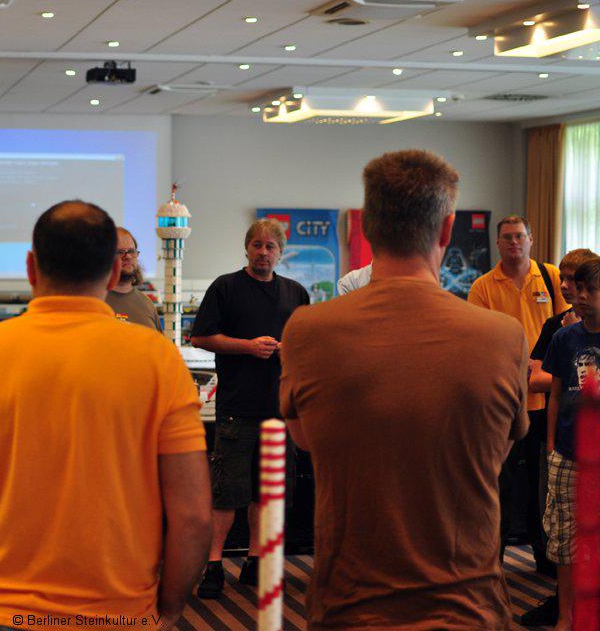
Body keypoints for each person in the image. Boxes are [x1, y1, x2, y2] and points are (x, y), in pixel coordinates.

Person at [0, 201, 211, 631]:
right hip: (120, 612)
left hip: (0, 608)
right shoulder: (158, 360)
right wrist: (169, 607)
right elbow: (193, 517)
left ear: (31, 267)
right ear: (113, 273)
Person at [280, 149, 528, 629]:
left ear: (368, 228)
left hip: (349, 606)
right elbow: (496, 449)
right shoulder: (503, 336)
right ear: (447, 229)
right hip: (467, 608)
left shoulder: (307, 331)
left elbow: (307, 439)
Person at [189, 218, 309, 597]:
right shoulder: (226, 287)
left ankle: (256, 562)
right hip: (236, 409)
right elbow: (200, 337)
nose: (263, 252)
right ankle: (213, 566)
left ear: (281, 252)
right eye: (257, 245)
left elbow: (305, 344)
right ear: (247, 248)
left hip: (279, 410)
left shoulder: (296, 293)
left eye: (270, 246)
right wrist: (247, 346)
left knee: (267, 493)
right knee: (225, 492)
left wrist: (291, 350)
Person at [468, 215, 568, 570]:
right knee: (501, 483)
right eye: (507, 237)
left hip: (547, 400)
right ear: (498, 243)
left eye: (520, 236)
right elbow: (478, 340)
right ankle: (492, 562)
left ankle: (545, 559)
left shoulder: (552, 277)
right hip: (504, 402)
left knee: (544, 486)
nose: (514, 242)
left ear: (531, 239)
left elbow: (566, 328)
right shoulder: (482, 286)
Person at [541, 258, 600, 631]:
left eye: (590, 290)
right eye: (579, 289)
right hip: (567, 454)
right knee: (564, 540)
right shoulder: (564, 338)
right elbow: (556, 396)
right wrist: (550, 447)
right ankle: (565, 616)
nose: (581, 296)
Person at [105, 227, 161, 330]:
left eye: (131, 251)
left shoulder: (147, 304)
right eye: (120, 252)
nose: (128, 256)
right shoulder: (96, 303)